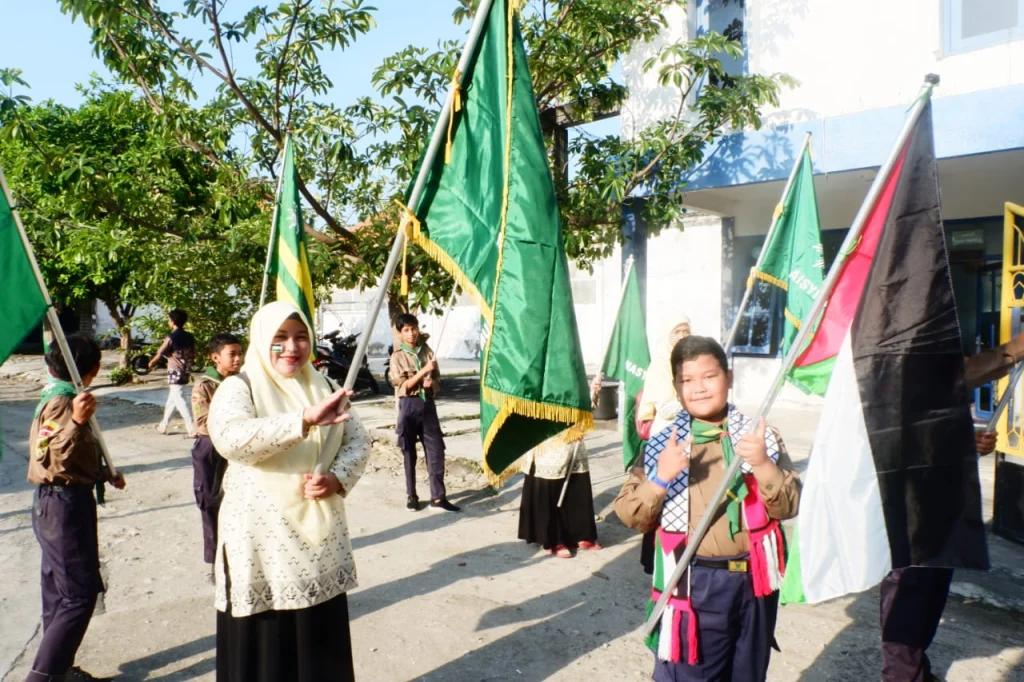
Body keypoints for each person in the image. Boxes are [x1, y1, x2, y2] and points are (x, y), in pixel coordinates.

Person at [614, 335, 800, 681]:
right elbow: (629, 514)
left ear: (729, 378)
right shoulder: (663, 445)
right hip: (696, 582)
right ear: (676, 387)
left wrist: (762, 464)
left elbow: (789, 505)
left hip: (756, 581)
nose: (699, 388)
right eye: (687, 380)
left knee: (748, 674)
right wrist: (660, 478)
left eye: (709, 376)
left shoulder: (759, 436)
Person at [207, 302, 370, 682]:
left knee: (318, 645)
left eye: (301, 337)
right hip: (261, 542)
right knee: (267, 649)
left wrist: (336, 478)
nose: (292, 348)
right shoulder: (239, 387)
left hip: (319, 544)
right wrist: (304, 420)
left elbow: (359, 441)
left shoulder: (326, 386)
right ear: (262, 340)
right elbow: (230, 439)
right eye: (279, 338)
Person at [879, 334, 1024, 682]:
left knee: (930, 599)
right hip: (910, 512)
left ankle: (917, 672)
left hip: (942, 510)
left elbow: (942, 414)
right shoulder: (900, 370)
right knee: (907, 606)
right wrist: (1013, 350)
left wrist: (968, 443)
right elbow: (908, 436)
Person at [26, 334, 127, 682]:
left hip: (59, 501)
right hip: (63, 505)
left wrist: (103, 472)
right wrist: (78, 421)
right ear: (95, 369)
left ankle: (60, 668)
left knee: (59, 592)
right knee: (79, 596)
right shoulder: (62, 401)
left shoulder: (63, 395)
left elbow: (72, 454)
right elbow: (49, 455)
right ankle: (42, 677)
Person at [388, 313, 460, 513]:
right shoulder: (397, 356)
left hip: (427, 405)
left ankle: (438, 497)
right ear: (400, 333)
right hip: (408, 406)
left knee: (436, 450)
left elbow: (438, 380)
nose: (411, 333)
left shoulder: (427, 351)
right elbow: (402, 386)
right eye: (406, 330)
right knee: (409, 452)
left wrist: (431, 384)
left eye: (414, 328)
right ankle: (412, 495)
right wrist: (422, 373)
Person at [189, 333, 243, 569]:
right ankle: (215, 561)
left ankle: (237, 554)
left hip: (236, 447)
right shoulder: (205, 385)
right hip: (211, 447)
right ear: (215, 358)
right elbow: (202, 422)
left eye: (240, 354)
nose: (238, 359)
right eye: (232, 354)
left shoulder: (242, 382)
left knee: (237, 500)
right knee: (210, 502)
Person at [517, 431, 600, 558]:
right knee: (551, 482)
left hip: (572, 434)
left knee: (577, 482)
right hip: (546, 434)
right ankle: (553, 538)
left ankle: (580, 534)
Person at [151, 308, 197, 437]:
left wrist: (151, 363)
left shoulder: (171, 337)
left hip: (174, 372)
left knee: (180, 400)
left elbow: (161, 352)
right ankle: (163, 426)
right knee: (173, 399)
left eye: (169, 320)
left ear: (172, 321)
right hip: (185, 370)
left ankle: (191, 428)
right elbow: (193, 354)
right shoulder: (189, 337)